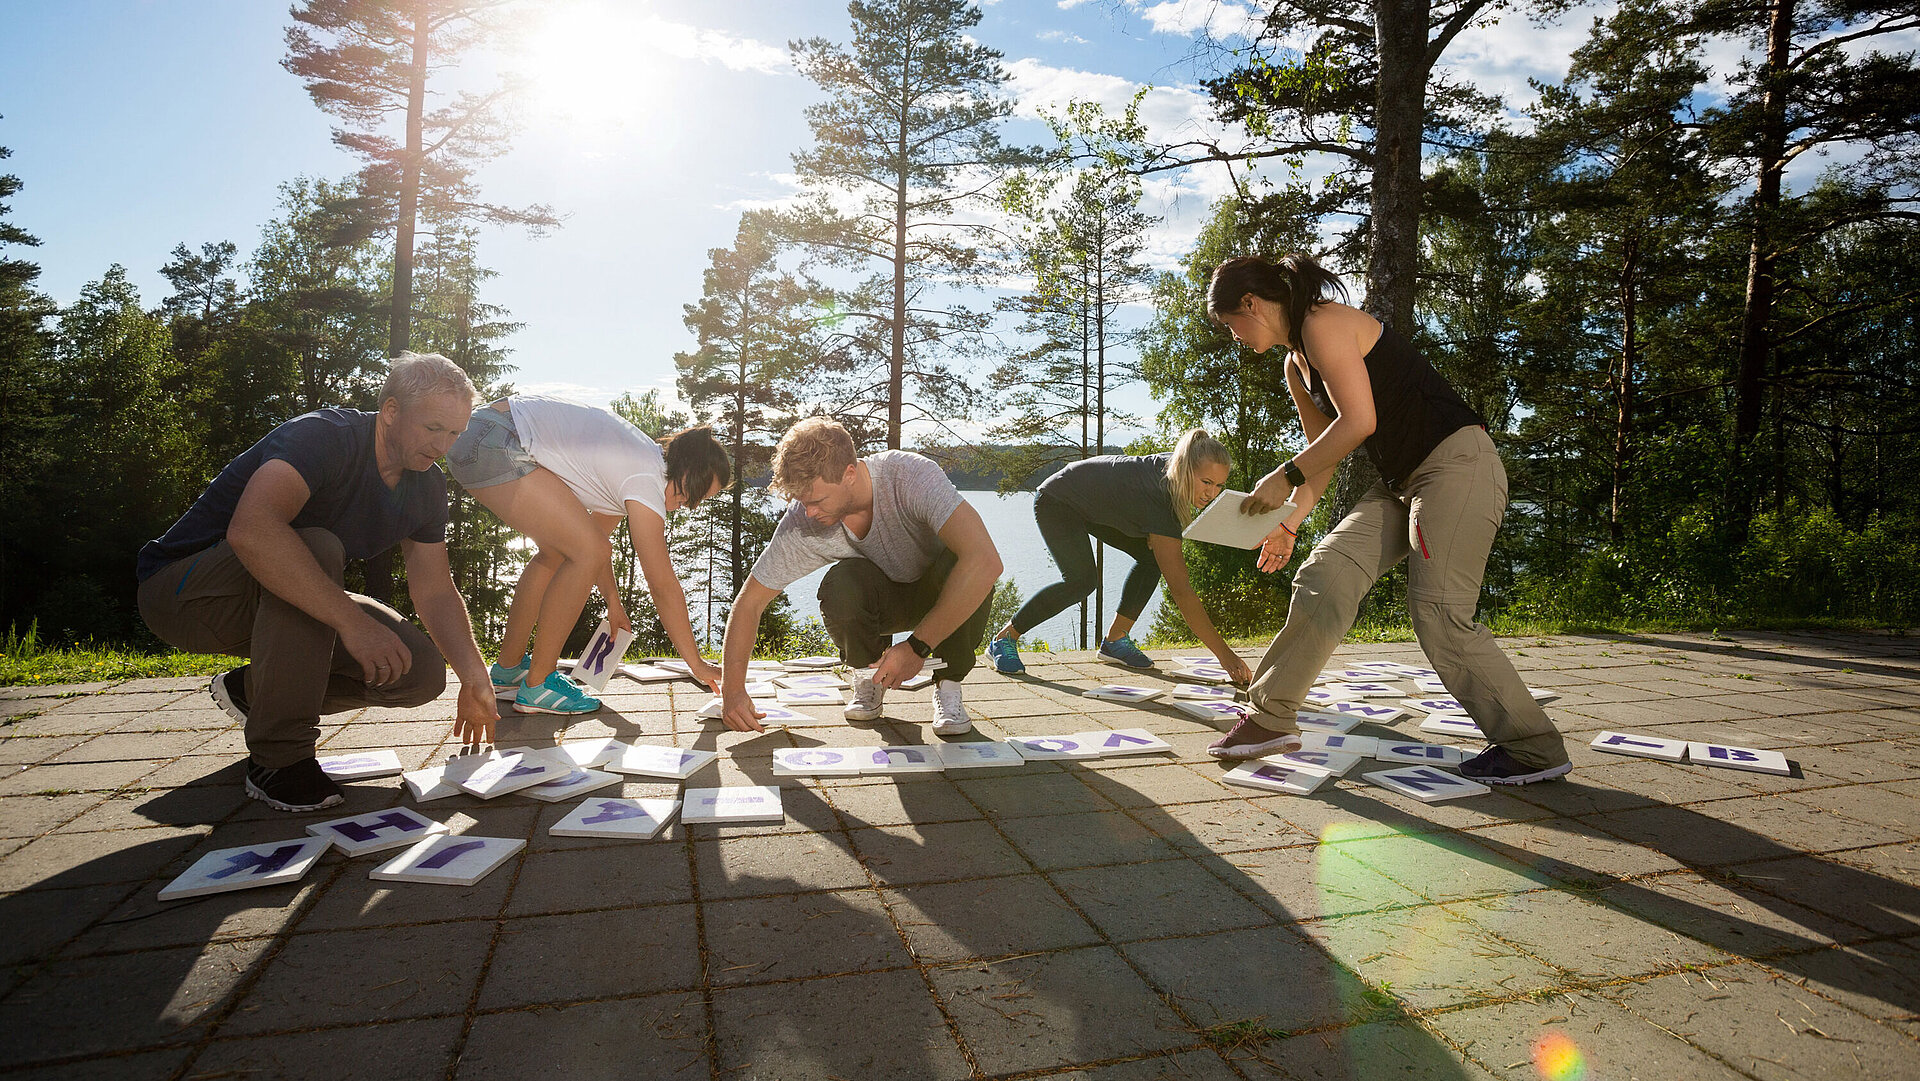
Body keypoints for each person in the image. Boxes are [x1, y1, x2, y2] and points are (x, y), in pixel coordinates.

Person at [1205, 254, 1572, 784]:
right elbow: (1322, 454)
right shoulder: (1294, 364)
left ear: (1251, 303)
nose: (1233, 335)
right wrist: (1287, 524)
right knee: (1325, 577)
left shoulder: (1324, 322)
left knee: (1440, 611)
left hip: (1456, 465)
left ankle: (1534, 748)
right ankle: (1270, 718)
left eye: (1229, 323)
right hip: (1400, 484)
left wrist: (1283, 477)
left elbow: (1359, 422)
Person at [137, 353, 499, 812]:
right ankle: (279, 759)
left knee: (420, 674)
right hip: (185, 594)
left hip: (277, 604)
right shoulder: (323, 437)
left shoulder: (425, 488)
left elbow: (434, 590)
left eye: (455, 433)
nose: (443, 445)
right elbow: (253, 529)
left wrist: (474, 675)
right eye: (433, 429)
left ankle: (251, 692)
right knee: (317, 547)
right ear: (391, 411)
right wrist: (352, 622)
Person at [716, 417, 1003, 735]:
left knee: (966, 563)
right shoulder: (805, 521)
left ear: (849, 474)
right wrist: (733, 692)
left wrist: (917, 647)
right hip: (886, 602)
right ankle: (868, 680)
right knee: (842, 582)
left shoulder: (908, 475)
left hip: (939, 597)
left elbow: (986, 561)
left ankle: (948, 686)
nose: (809, 512)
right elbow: (749, 603)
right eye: (802, 502)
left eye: (817, 500)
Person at [445, 395, 730, 715]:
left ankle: (508, 670)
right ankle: (537, 685)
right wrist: (696, 664)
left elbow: (591, 542)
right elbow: (662, 587)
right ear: (688, 474)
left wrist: (613, 602)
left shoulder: (637, 469)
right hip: (496, 440)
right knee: (580, 551)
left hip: (479, 433)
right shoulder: (646, 478)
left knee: (556, 553)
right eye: (699, 494)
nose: (692, 505)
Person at [984, 431, 1253, 683]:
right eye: (1206, 482)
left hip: (1095, 505)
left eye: (1219, 485)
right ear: (1185, 469)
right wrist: (1225, 655)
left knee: (1151, 558)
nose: (1212, 492)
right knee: (1082, 581)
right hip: (1058, 500)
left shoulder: (1175, 479)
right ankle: (1004, 638)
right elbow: (1182, 591)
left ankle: (1115, 641)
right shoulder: (1161, 497)